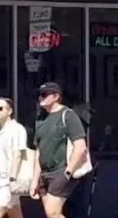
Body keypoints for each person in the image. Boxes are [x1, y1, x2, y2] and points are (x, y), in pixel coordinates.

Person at [29, 82, 89, 218]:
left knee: (52, 212)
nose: (40, 98)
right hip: (44, 175)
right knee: (52, 214)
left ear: (56, 96)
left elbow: (80, 146)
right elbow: (38, 151)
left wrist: (68, 172)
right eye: (39, 95)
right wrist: (34, 180)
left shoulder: (68, 115)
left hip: (61, 171)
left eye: (44, 95)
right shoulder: (40, 119)